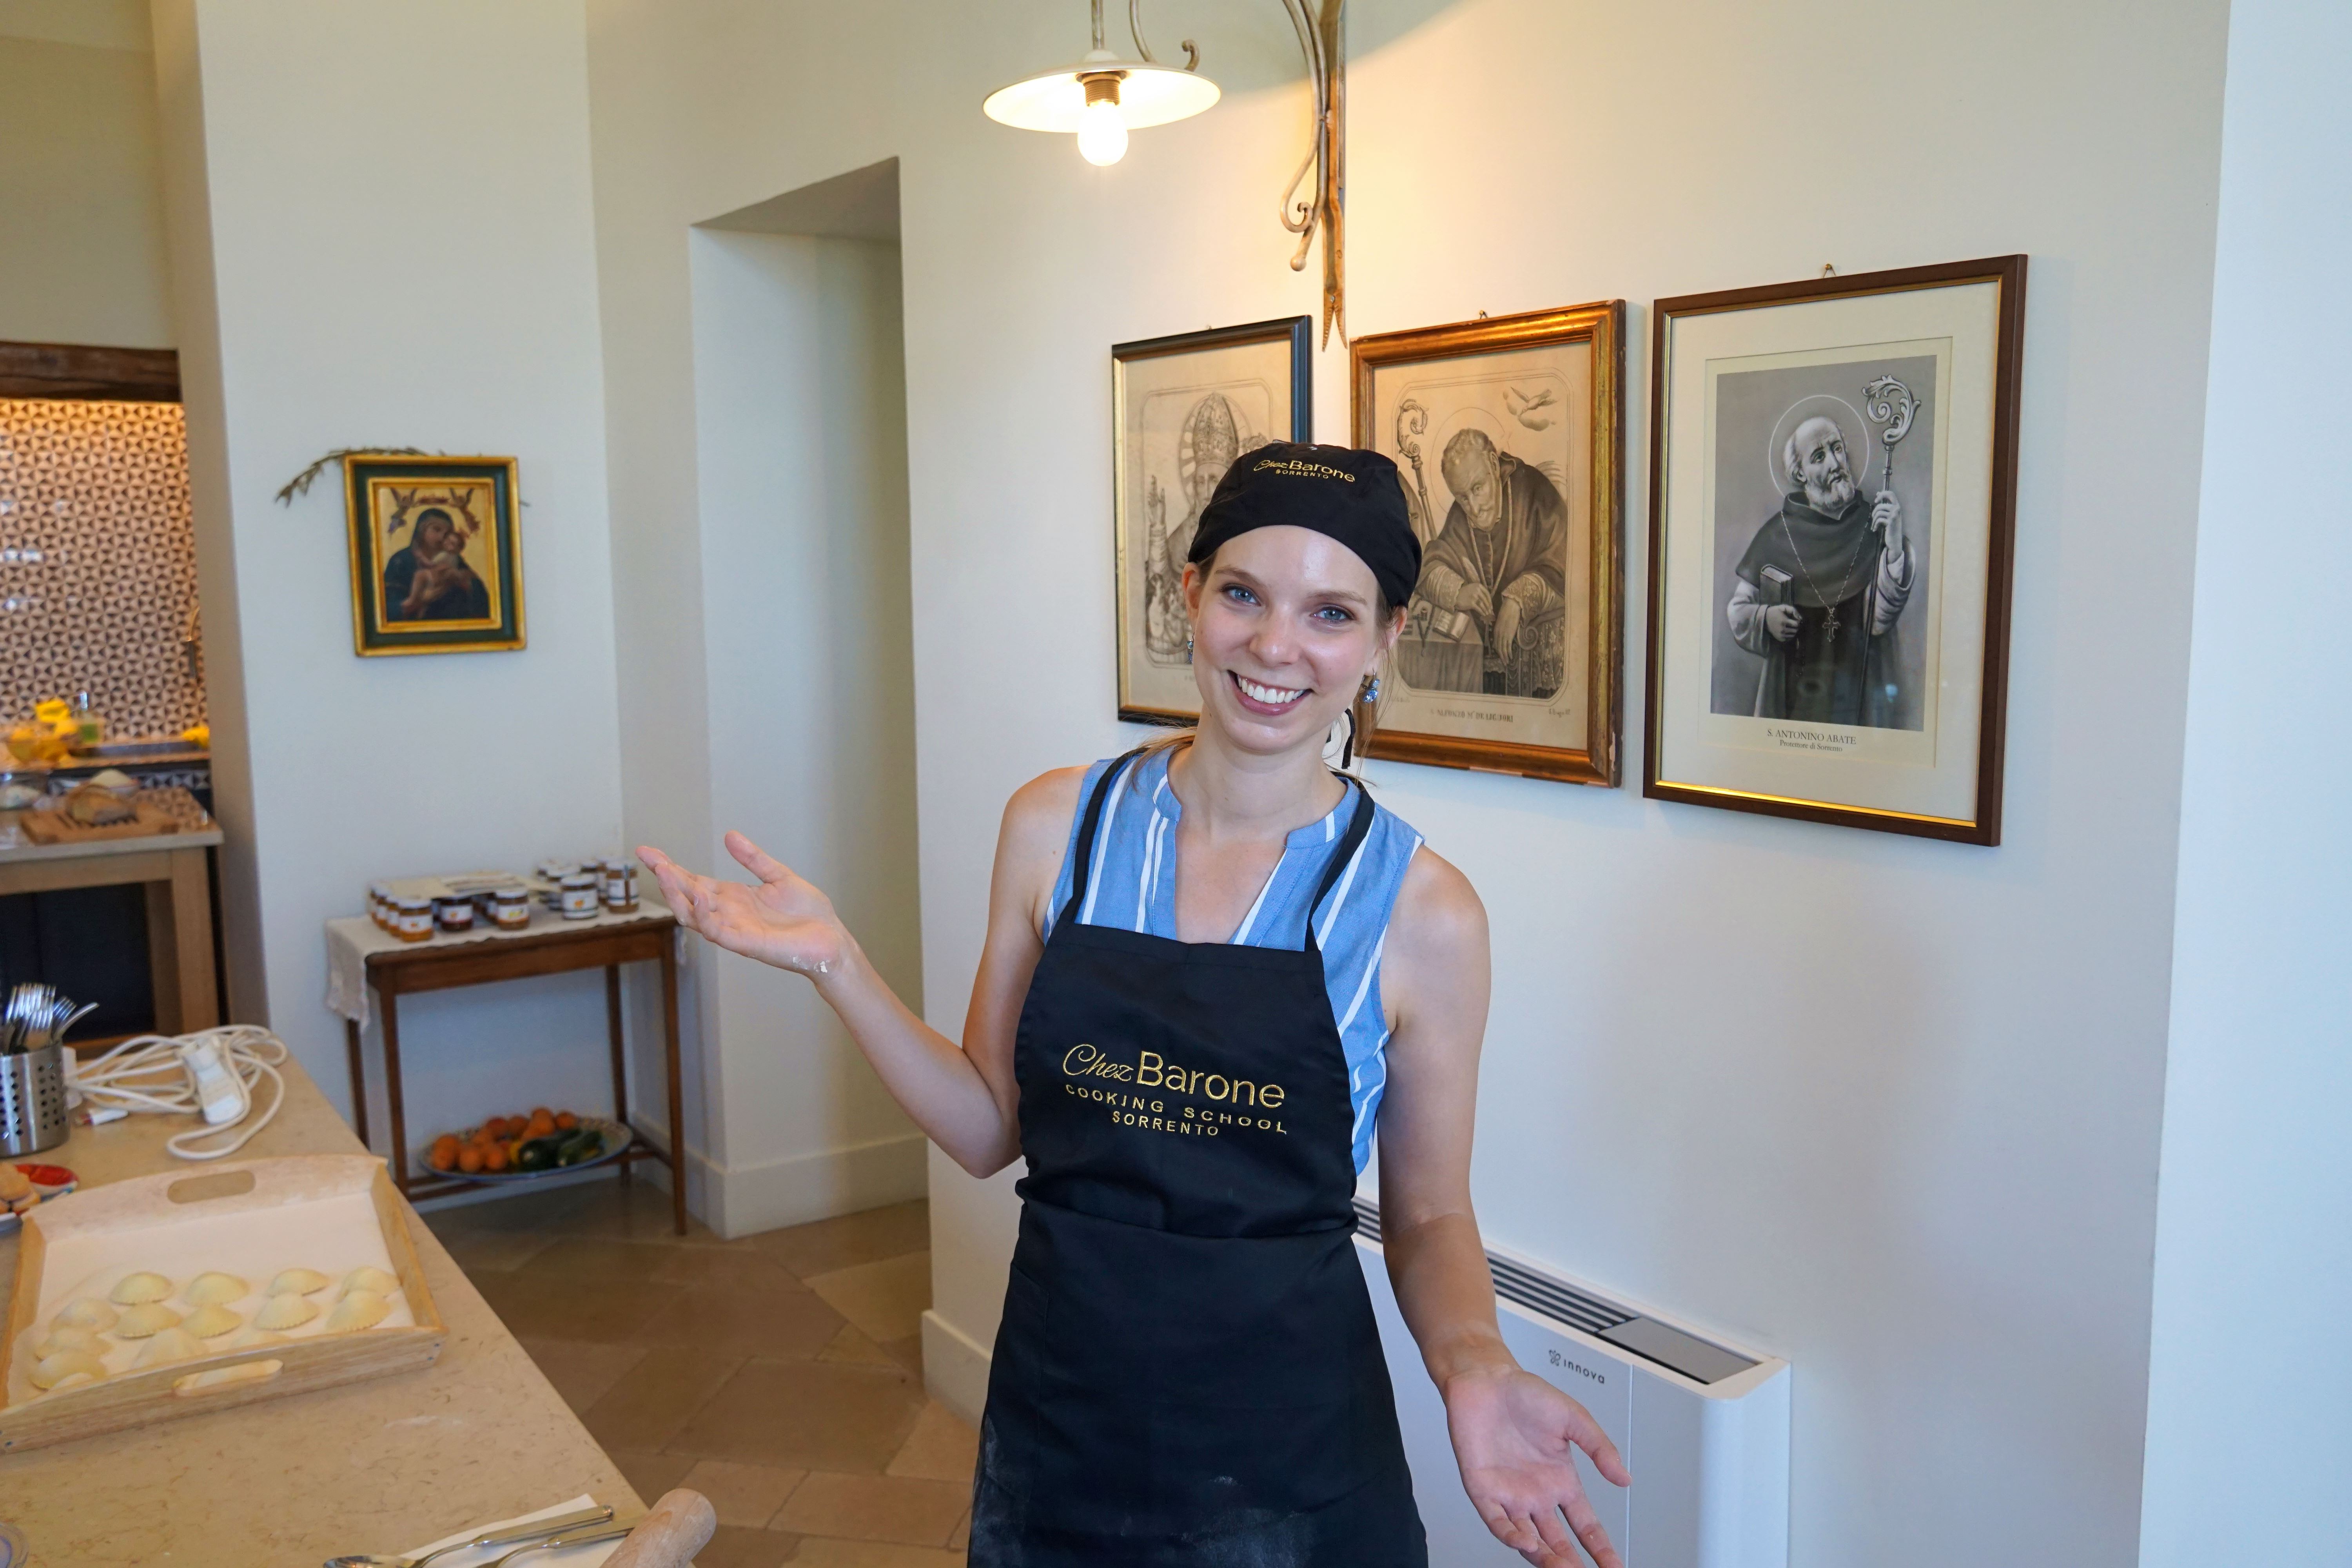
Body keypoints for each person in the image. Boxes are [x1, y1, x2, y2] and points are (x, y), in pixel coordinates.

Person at [641, 442, 1630, 1568]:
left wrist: (1475, 1362)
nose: (1276, 646)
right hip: (1063, 1428)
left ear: (1385, 639)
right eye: (1244, 594)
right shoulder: (1056, 828)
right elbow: (987, 1128)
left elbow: (1432, 1215)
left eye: (1330, 614)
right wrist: (838, 964)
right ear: (1190, 595)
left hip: (1294, 1459)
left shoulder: (1421, 912)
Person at [1725, 414, 1913, 724]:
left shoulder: (1874, 526)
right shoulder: (1777, 534)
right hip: (1792, 692)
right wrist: (1765, 618)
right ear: (1800, 473)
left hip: (1858, 690)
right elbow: (1738, 611)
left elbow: (1879, 622)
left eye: (1837, 449)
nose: (1835, 463)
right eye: (1819, 457)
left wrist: (1893, 547)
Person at [1410, 429, 1568, 696]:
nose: (1473, 508)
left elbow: (1566, 564)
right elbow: (1430, 566)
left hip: (1536, 660)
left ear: (1494, 466)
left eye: (1478, 489)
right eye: (1462, 497)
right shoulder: (1462, 514)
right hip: (1484, 670)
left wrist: (1518, 599)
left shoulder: (1533, 490)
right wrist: (1459, 592)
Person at [1142, 393, 1245, 661]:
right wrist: (1158, 528)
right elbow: (1161, 579)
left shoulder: (1245, 533)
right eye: (1200, 481)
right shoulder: (1187, 530)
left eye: (1214, 480)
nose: (1206, 490)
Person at [382, 507, 488, 621]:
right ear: (422, 530)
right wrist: (421, 600)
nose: (442, 537)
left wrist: (466, 582)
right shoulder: (401, 560)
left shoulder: (455, 558)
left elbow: (480, 597)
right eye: (437, 530)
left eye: (447, 534)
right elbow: (386, 606)